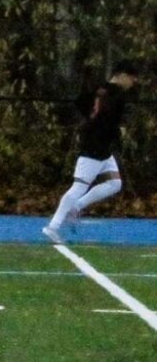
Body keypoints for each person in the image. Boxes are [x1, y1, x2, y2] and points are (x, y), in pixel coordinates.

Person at [42, 59, 140, 243]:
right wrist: (117, 133)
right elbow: (110, 122)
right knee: (79, 186)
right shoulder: (117, 96)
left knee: (115, 184)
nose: (133, 83)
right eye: (132, 78)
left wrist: (90, 121)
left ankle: (77, 207)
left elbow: (80, 102)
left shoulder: (99, 88)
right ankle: (53, 226)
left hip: (101, 146)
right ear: (122, 76)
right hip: (96, 145)